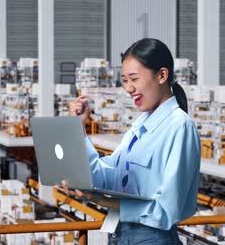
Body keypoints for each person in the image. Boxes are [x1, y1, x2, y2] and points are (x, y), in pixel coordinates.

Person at [64, 38, 201, 244]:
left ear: (162, 75)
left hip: (152, 239)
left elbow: (167, 209)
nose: (128, 88)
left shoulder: (179, 126)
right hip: (120, 235)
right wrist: (78, 128)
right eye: (125, 80)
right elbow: (109, 175)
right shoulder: (140, 124)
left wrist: (102, 200)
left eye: (134, 79)